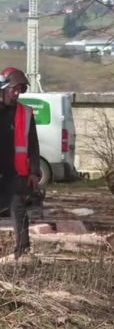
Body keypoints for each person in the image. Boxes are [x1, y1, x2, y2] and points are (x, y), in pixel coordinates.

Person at [0, 68, 41, 262]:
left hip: (15, 173)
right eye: (13, 89)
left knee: (18, 210)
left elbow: (33, 144)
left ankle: (22, 251)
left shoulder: (25, 112)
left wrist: (34, 172)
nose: (16, 93)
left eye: (20, 90)